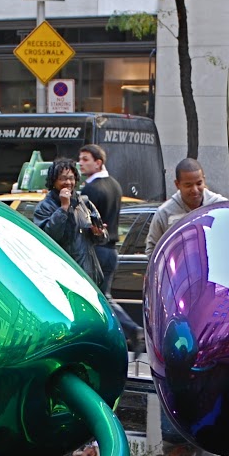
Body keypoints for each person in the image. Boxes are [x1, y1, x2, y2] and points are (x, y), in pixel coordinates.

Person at [78, 142, 143, 345]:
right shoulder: (114, 184)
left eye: (85, 159)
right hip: (111, 250)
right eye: (80, 159)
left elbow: (84, 223)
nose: (81, 163)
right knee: (103, 296)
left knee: (97, 298)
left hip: (96, 250)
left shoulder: (90, 189)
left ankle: (128, 331)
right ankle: (124, 333)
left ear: (98, 163)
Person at [32, 158, 106, 287]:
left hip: (88, 275)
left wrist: (98, 233)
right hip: (63, 276)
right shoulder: (45, 207)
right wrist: (63, 208)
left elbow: (102, 238)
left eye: (71, 178)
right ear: (53, 181)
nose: (68, 182)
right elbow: (49, 237)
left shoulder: (83, 203)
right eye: (63, 178)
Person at [146, 158, 228, 255]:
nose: (195, 190)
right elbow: (152, 251)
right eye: (188, 185)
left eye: (199, 183)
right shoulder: (164, 213)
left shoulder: (221, 207)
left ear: (204, 180)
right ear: (177, 184)